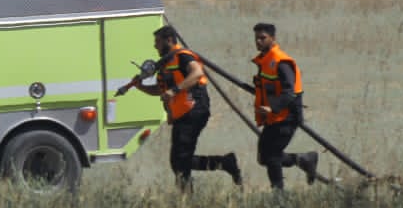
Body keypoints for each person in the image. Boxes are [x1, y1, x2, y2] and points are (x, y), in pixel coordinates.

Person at [119, 26, 241, 190]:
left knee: (180, 160)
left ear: (169, 40)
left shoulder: (182, 56)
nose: (155, 46)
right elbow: (160, 90)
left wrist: (174, 90)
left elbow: (197, 73)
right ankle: (225, 163)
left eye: (158, 42)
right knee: (178, 160)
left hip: (194, 109)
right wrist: (140, 86)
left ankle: (186, 200)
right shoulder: (165, 63)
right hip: (182, 113)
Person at [251, 22, 317, 190]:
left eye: (263, 38)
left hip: (287, 116)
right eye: (256, 38)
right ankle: (304, 160)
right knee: (264, 157)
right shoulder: (265, 61)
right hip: (274, 117)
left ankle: (279, 195)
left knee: (272, 156)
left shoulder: (281, 61)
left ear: (273, 38)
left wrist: (273, 108)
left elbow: (290, 92)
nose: (258, 41)